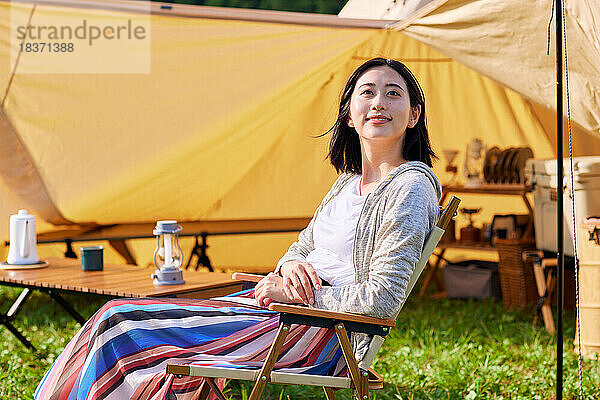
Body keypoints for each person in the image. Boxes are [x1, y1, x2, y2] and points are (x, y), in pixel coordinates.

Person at [35, 58, 441, 400]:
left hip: (317, 332)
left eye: (393, 93)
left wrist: (300, 293)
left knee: (121, 325)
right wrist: (291, 268)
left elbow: (383, 298)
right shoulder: (348, 182)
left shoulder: (409, 186)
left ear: (414, 114)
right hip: (277, 311)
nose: (379, 103)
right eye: (367, 92)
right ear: (349, 115)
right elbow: (303, 247)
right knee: (117, 318)